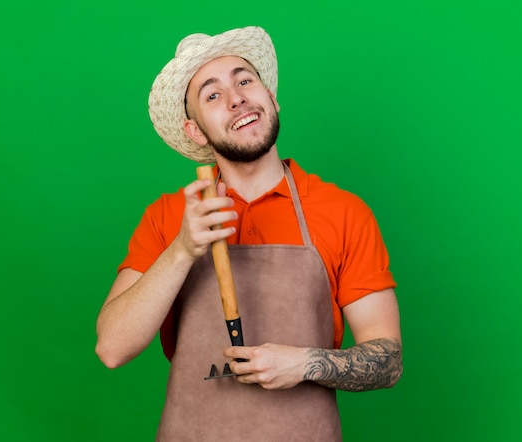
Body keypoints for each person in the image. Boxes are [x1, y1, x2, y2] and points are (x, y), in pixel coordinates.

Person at [96, 26, 402, 441]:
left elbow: (387, 361)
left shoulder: (343, 212)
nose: (237, 97)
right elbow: (112, 348)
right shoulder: (170, 216)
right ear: (196, 132)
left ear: (271, 99)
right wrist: (183, 249)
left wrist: (305, 363)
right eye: (213, 94)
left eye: (244, 80)